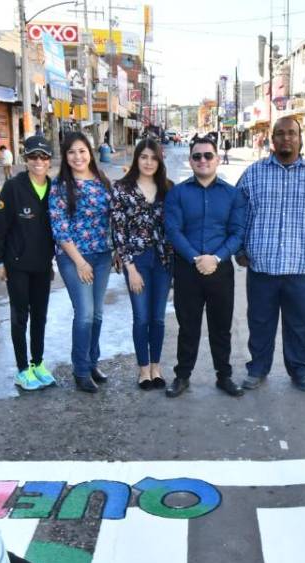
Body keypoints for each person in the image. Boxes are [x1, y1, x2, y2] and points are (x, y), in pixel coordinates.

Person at [235, 115, 305, 392]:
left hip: (301, 269)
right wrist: (239, 248)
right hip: (262, 266)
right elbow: (237, 213)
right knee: (259, 322)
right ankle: (257, 369)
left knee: (298, 324)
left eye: (291, 133)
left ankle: (299, 371)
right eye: (280, 134)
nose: (286, 138)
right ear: (272, 139)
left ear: (300, 138)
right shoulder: (254, 174)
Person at [164, 136, 248, 398]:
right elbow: (173, 230)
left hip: (220, 269)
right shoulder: (177, 193)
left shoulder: (232, 194)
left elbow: (237, 232)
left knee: (221, 326)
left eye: (208, 155)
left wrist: (216, 258)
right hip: (188, 270)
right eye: (197, 156)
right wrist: (195, 258)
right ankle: (182, 376)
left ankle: (224, 376)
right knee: (187, 326)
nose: (203, 160)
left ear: (217, 159)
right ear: (190, 160)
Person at [0, 134, 57, 391]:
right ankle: (22, 369)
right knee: (20, 317)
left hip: (42, 266)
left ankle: (37, 363)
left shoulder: (53, 188)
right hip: (16, 264)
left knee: (40, 316)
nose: (38, 161)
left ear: (50, 160)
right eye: (33, 156)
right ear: (25, 159)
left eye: (43, 156)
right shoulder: (13, 187)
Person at [50, 132, 114, 393]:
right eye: (71, 152)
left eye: (82, 151)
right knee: (85, 314)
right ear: (66, 157)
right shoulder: (60, 186)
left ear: (91, 152)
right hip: (73, 257)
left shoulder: (102, 182)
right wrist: (79, 262)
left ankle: (92, 361)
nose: (78, 157)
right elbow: (60, 228)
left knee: (97, 314)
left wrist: (117, 250)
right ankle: (80, 370)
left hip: (102, 256)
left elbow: (113, 220)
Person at [110, 138, 175, 391]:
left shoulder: (168, 188)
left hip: (163, 260)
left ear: (160, 161)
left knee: (158, 318)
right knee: (141, 317)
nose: (149, 162)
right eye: (144, 157)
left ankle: (156, 368)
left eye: (154, 158)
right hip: (137, 261)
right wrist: (131, 268)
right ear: (137, 159)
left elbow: (175, 226)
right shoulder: (122, 188)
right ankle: (143, 370)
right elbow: (118, 231)